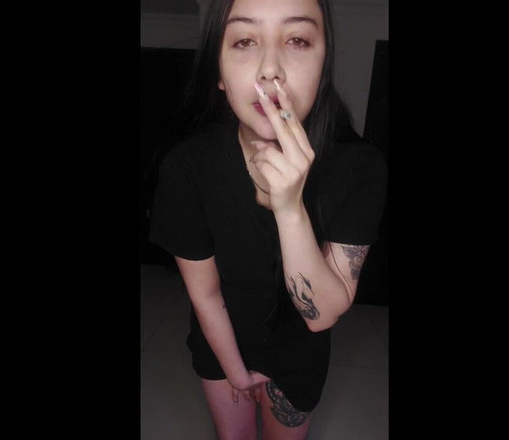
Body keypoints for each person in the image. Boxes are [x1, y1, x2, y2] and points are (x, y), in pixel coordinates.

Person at [149, 0, 387, 438]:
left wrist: (289, 208)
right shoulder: (187, 167)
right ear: (219, 72)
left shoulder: (359, 167)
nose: (270, 71)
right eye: (244, 41)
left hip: (298, 355)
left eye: (296, 40)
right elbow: (206, 294)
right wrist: (237, 374)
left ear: (323, 64)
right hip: (221, 343)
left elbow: (322, 314)